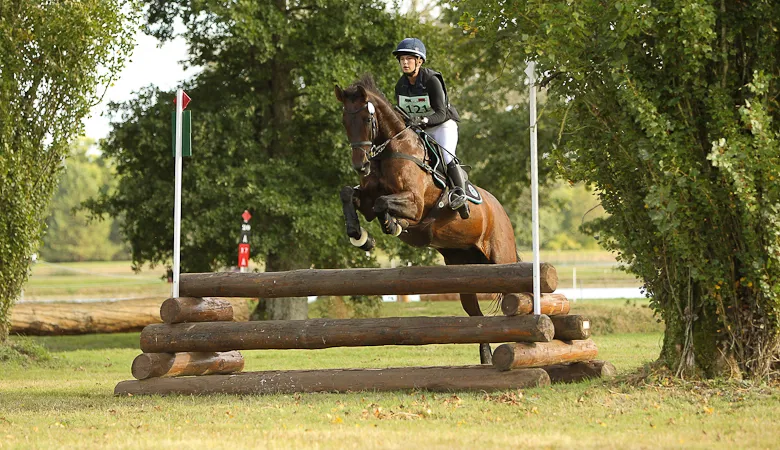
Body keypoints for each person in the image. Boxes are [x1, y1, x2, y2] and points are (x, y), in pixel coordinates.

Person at [393, 37, 469, 218]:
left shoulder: (431, 80)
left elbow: (441, 113)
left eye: (409, 59)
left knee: (446, 157)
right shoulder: (400, 86)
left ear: (419, 61)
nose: (405, 62)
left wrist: (422, 120)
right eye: (402, 59)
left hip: (442, 126)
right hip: (420, 130)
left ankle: (460, 195)